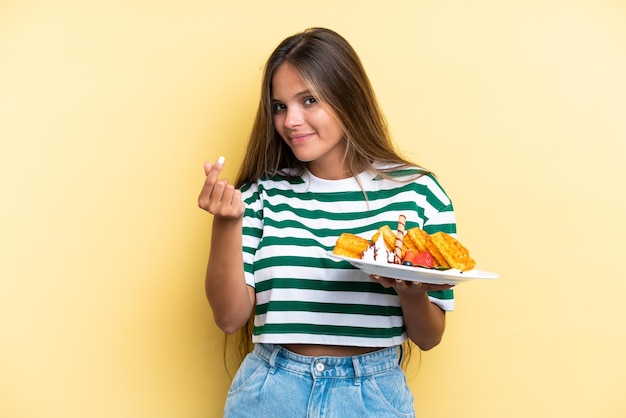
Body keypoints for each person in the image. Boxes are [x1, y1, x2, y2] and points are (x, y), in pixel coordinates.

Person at [198, 27, 456, 418]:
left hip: (372, 396)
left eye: (309, 100)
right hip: (270, 394)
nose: (291, 121)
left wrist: (411, 291)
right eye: (280, 106)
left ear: (347, 96)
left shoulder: (418, 194)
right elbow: (230, 318)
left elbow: (429, 338)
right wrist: (226, 222)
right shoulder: (262, 194)